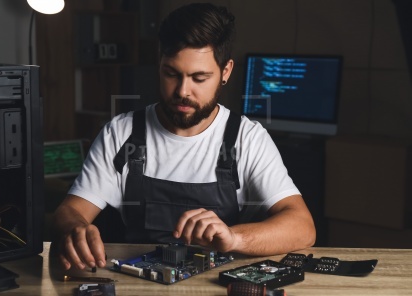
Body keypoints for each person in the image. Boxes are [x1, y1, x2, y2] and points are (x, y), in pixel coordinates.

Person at [52, 2, 316, 271]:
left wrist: (234, 237)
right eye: (171, 74)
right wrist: (76, 229)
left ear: (225, 72)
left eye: (199, 78)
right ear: (159, 62)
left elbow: (302, 227)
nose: (182, 91)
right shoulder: (120, 133)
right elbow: (69, 211)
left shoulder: (248, 139)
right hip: (137, 284)